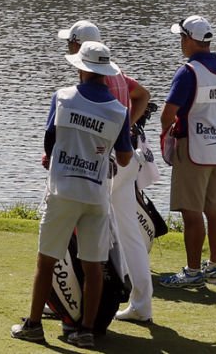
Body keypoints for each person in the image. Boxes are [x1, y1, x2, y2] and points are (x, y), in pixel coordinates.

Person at [12, 39, 134, 348]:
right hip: (96, 194)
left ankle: (34, 325)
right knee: (93, 266)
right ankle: (86, 331)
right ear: (105, 73)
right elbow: (123, 158)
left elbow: (49, 144)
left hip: (63, 189)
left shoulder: (62, 97)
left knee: (46, 261)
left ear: (81, 68)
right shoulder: (119, 110)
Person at [56, 20, 156, 323]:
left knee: (85, 230)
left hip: (105, 165)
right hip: (126, 160)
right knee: (129, 234)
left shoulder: (91, 81)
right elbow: (144, 95)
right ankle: (142, 306)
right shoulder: (118, 73)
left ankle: (66, 298)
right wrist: (126, 127)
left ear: (78, 46)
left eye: (69, 43)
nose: (67, 49)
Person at [157, 14, 216, 288]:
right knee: (214, 210)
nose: (180, 43)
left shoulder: (188, 71)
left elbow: (168, 114)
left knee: (191, 213)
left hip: (193, 147)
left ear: (190, 40)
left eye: (181, 37)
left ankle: (192, 272)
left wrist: (168, 134)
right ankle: (214, 267)